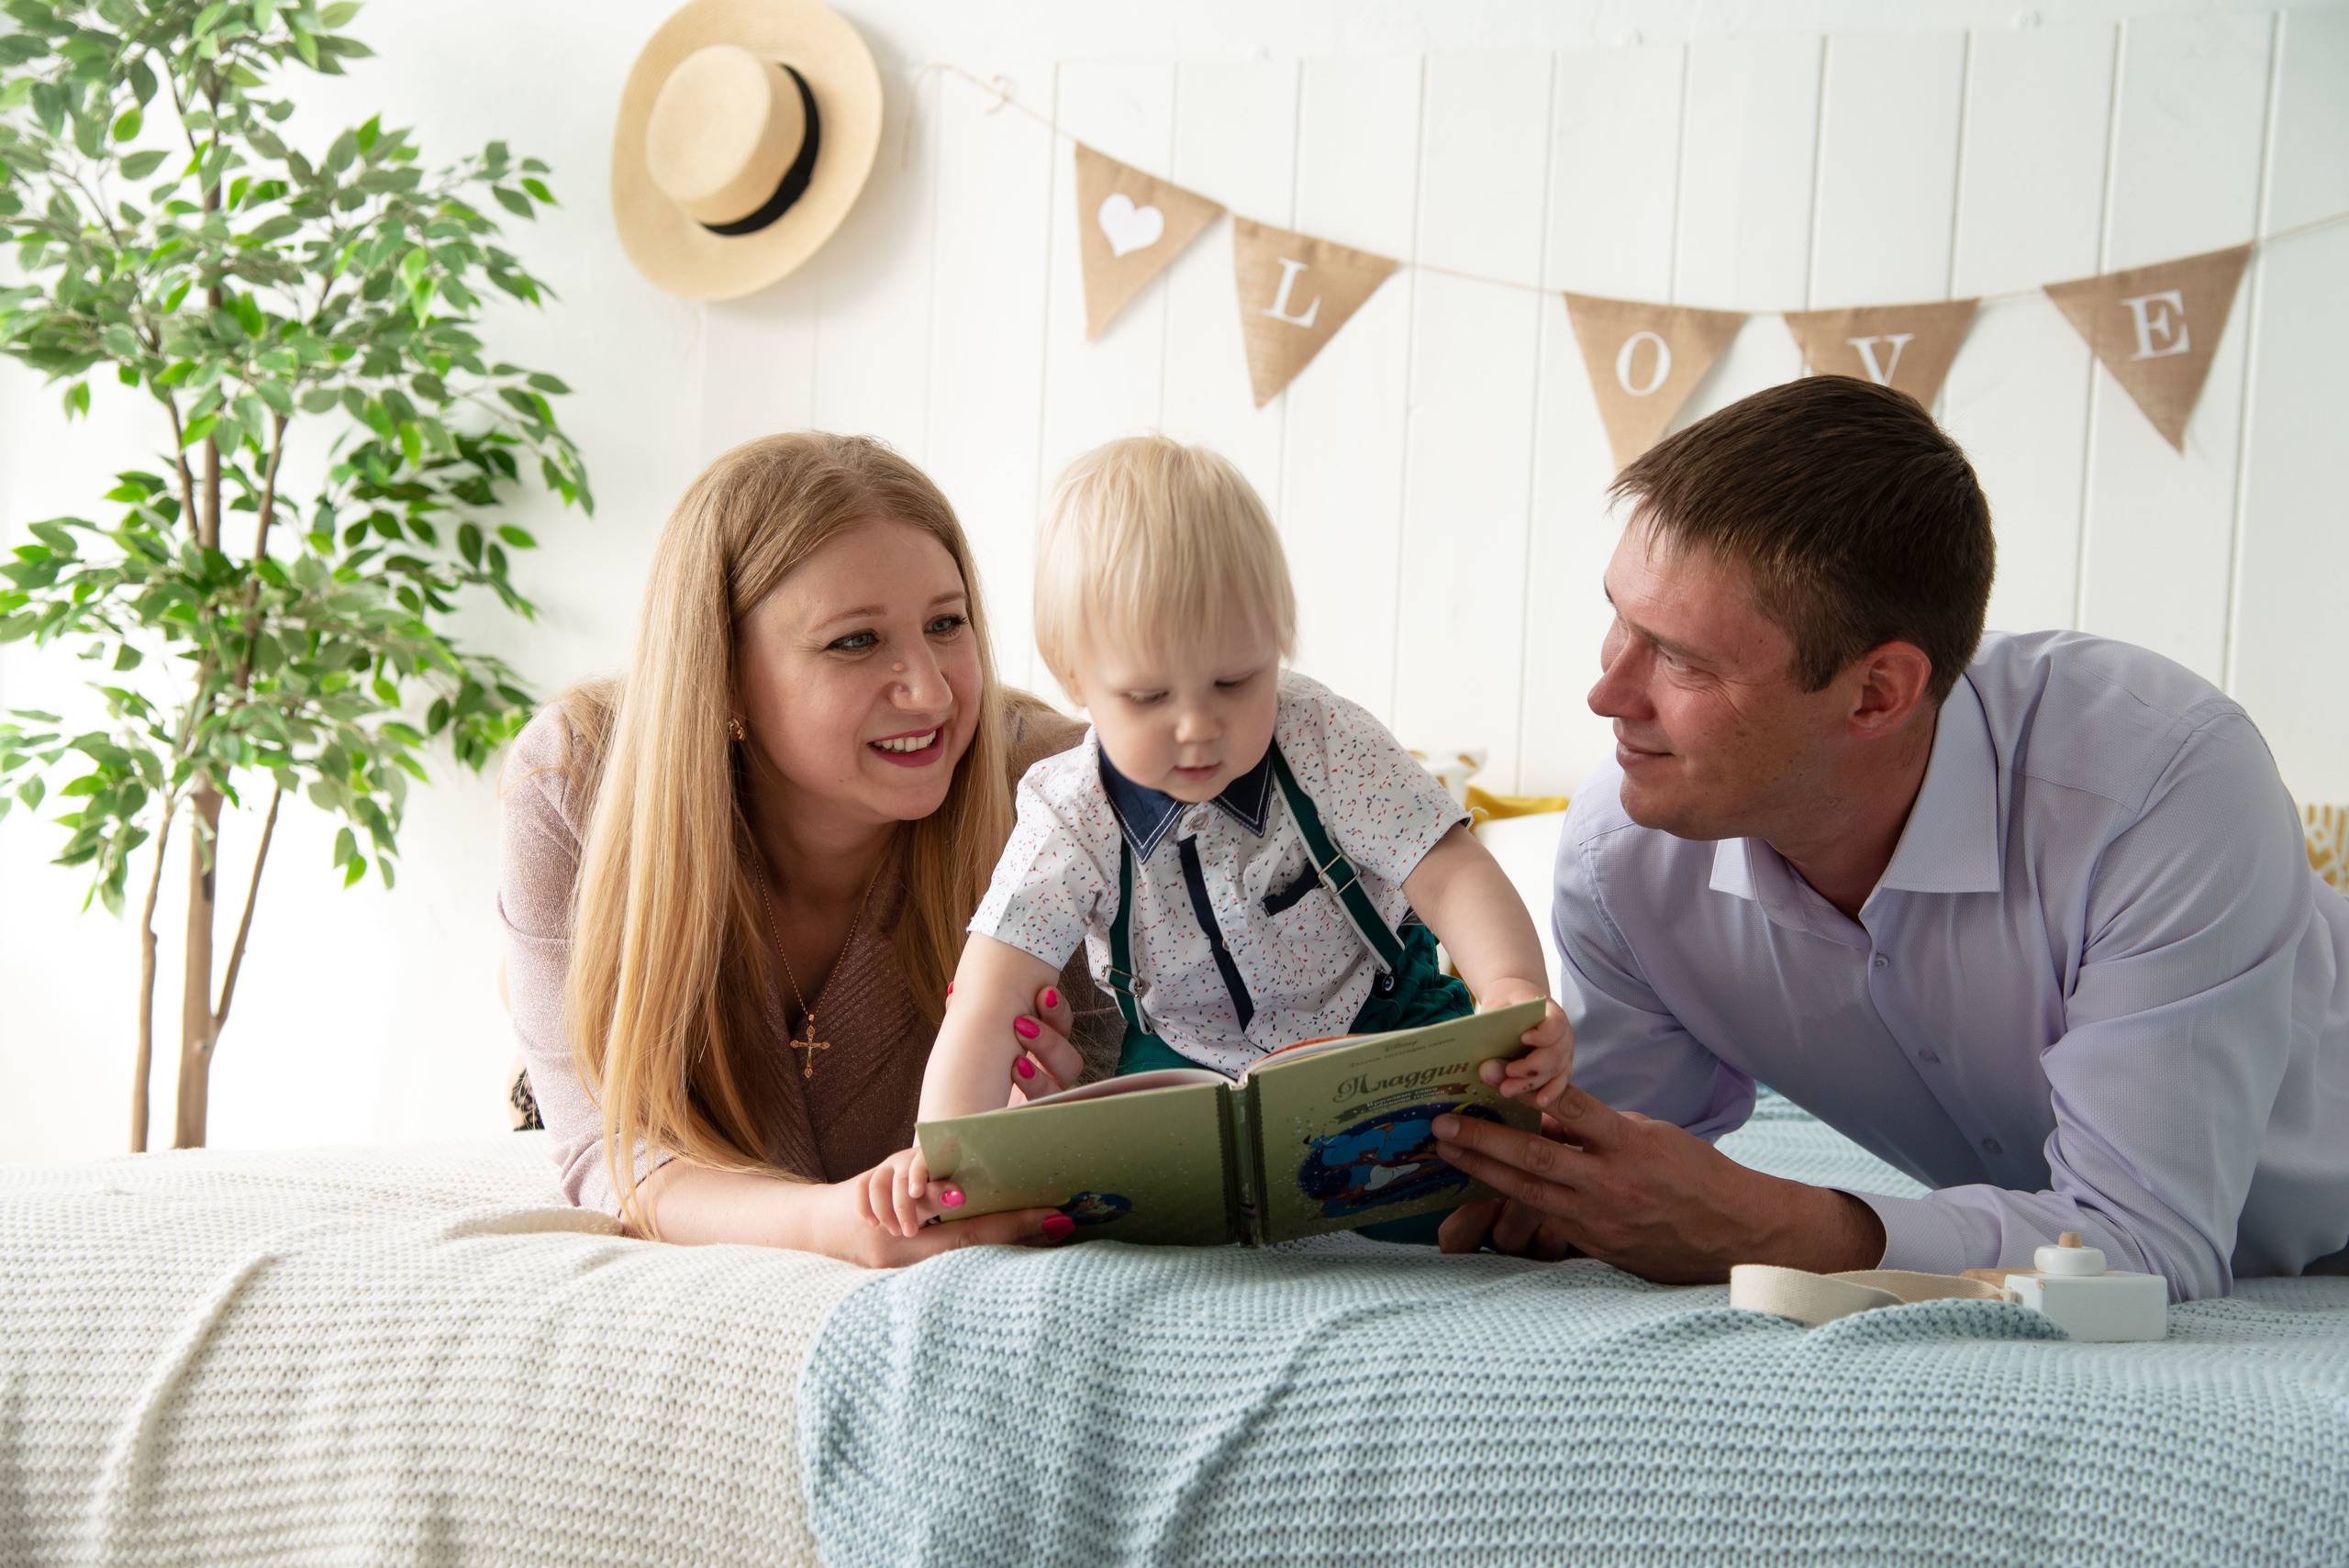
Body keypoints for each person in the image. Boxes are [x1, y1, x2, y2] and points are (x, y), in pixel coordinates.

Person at [1432, 377, 2349, 1301]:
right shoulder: (1620, 853)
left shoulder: (2158, 788)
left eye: (1679, 657)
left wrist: (1773, 1225)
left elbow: (2147, 1244)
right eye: (1619, 621)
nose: (1608, 693)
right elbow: (1618, 1156)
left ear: (1877, 694)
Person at [863, 434, 1572, 1238]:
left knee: (1485, 1159)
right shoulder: (1067, 812)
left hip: (1378, 1022)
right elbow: (991, 995)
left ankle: (1471, 1216)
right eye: (1150, 694)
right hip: (1184, 1063)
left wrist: (1513, 986)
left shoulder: (1326, 740)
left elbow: (1450, 870)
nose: (1198, 726)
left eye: (1236, 681)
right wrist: (946, 1152)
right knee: (1116, 1210)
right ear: (1073, 678)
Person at [497, 432, 1122, 1264]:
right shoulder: (571, 783)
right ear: (721, 673)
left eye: (946, 623)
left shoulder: (1058, 790)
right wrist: (844, 1228)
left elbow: (1128, 1097)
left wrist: (1051, 1124)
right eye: (855, 641)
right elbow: (612, 1151)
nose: (931, 690)